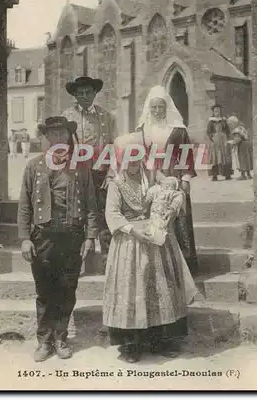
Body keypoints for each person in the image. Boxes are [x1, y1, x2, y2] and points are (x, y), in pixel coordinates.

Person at [103, 135, 198, 363]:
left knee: (160, 287)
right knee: (132, 289)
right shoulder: (116, 184)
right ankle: (131, 345)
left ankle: (162, 340)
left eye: (137, 156)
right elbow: (112, 214)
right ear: (121, 159)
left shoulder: (153, 176)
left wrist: (172, 209)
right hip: (130, 241)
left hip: (157, 237)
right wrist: (133, 231)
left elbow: (174, 190)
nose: (133, 161)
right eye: (128, 157)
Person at [18, 116, 99, 362]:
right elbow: (24, 206)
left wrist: (90, 236)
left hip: (72, 237)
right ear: (47, 138)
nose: (58, 138)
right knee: (44, 291)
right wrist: (24, 238)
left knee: (67, 289)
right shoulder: (34, 166)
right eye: (53, 134)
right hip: (42, 237)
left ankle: (61, 338)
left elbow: (91, 205)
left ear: (68, 137)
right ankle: (44, 341)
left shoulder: (81, 167)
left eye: (62, 134)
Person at [136, 85, 198, 276]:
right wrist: (153, 174)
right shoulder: (142, 129)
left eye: (160, 107)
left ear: (167, 107)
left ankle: (183, 264)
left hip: (174, 176)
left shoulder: (178, 130)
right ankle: (157, 264)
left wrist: (186, 178)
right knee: (153, 216)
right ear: (149, 108)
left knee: (177, 216)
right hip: (151, 177)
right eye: (153, 107)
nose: (157, 111)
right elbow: (139, 155)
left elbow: (186, 156)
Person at [62, 76, 116, 264]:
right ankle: (78, 260)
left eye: (88, 92)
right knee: (77, 214)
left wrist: (110, 173)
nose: (84, 96)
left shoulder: (106, 117)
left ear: (94, 93)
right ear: (75, 95)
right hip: (76, 174)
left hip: (99, 173)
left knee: (103, 215)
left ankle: (107, 259)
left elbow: (112, 147)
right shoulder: (67, 116)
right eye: (80, 93)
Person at [206, 104, 232, 181]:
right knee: (215, 158)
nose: (217, 112)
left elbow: (227, 130)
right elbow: (208, 132)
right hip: (215, 141)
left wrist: (226, 137)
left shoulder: (223, 120)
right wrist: (212, 136)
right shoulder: (211, 122)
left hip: (223, 140)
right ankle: (214, 175)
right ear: (213, 112)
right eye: (215, 111)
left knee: (225, 157)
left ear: (220, 112)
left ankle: (227, 175)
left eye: (218, 111)